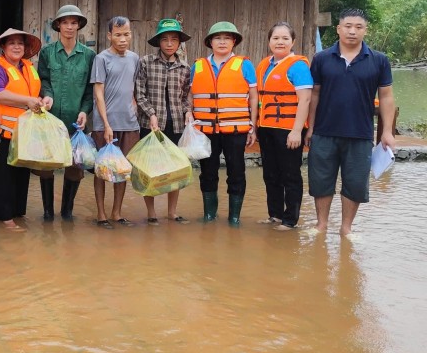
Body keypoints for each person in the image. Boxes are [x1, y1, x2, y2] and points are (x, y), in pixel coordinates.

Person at [306, 8, 395, 237]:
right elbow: (314, 94)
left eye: (358, 27)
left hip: (360, 133)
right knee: (321, 181)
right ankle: (321, 225)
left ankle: (346, 229)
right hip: (325, 131)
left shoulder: (379, 60)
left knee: (355, 184)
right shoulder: (322, 58)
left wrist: (387, 132)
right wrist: (311, 128)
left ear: (365, 30)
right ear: (338, 28)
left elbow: (386, 96)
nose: (352, 31)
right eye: (347, 26)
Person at [190, 21, 258, 226]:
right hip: (206, 129)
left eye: (227, 38)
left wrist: (252, 125)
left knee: (236, 172)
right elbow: (190, 96)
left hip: (235, 130)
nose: (222, 42)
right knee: (207, 173)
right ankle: (210, 215)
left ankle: (234, 217)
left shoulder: (245, 64)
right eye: (217, 38)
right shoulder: (198, 65)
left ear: (234, 41)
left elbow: (253, 97)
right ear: (210, 42)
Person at [0, 28, 50, 231]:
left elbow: (36, 91)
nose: (16, 46)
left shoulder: (28, 67)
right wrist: (29, 101)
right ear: (2, 47)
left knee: (22, 174)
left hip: (26, 130)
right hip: (4, 130)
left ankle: (18, 213)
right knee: (4, 174)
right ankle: (4, 217)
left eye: (20, 43)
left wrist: (44, 99)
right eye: (11, 43)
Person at [37, 4, 95, 221]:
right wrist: (48, 94)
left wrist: (84, 111)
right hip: (50, 121)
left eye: (74, 23)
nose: (69, 27)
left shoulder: (89, 55)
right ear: (58, 26)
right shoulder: (47, 53)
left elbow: (91, 89)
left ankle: (67, 212)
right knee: (46, 167)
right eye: (65, 22)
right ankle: (48, 213)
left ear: (79, 25)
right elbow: (42, 79)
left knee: (74, 168)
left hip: (75, 122)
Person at [134, 18, 193, 225]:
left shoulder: (185, 68)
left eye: (174, 39)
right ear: (158, 41)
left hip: (175, 124)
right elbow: (139, 94)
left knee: (174, 170)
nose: (169, 43)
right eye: (165, 39)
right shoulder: (146, 62)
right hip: (150, 126)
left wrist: (187, 112)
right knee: (149, 169)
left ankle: (172, 212)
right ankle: (151, 213)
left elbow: (185, 97)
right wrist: (151, 114)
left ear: (179, 43)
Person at [255, 21, 313, 231]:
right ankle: (275, 215)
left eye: (285, 38)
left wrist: (297, 130)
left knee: (290, 174)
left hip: (289, 129)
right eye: (276, 38)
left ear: (293, 42)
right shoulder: (264, 64)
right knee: (270, 173)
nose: (280, 42)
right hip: (267, 128)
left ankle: (290, 220)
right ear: (269, 41)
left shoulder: (298, 66)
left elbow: (305, 100)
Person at [90, 16, 140, 228]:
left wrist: (134, 110)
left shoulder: (135, 58)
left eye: (126, 34)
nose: (122, 39)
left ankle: (116, 213)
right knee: (102, 170)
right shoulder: (101, 59)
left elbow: (132, 87)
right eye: (117, 35)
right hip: (105, 125)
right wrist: (106, 124)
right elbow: (98, 93)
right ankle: (101, 214)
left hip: (129, 123)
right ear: (109, 35)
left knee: (122, 170)